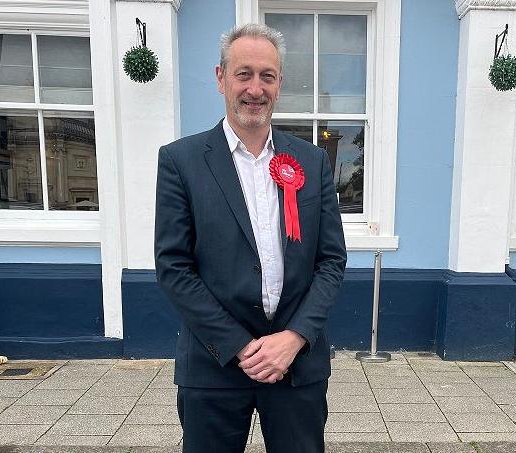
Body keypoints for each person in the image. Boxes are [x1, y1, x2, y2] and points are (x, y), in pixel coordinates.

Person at [154, 23, 347, 453]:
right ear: (221, 77)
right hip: (214, 364)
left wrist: (294, 337)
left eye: (267, 76)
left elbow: (331, 261)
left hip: (297, 366)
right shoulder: (180, 161)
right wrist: (241, 346)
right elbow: (173, 267)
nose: (254, 89)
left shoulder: (311, 162)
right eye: (243, 74)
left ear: (279, 84)